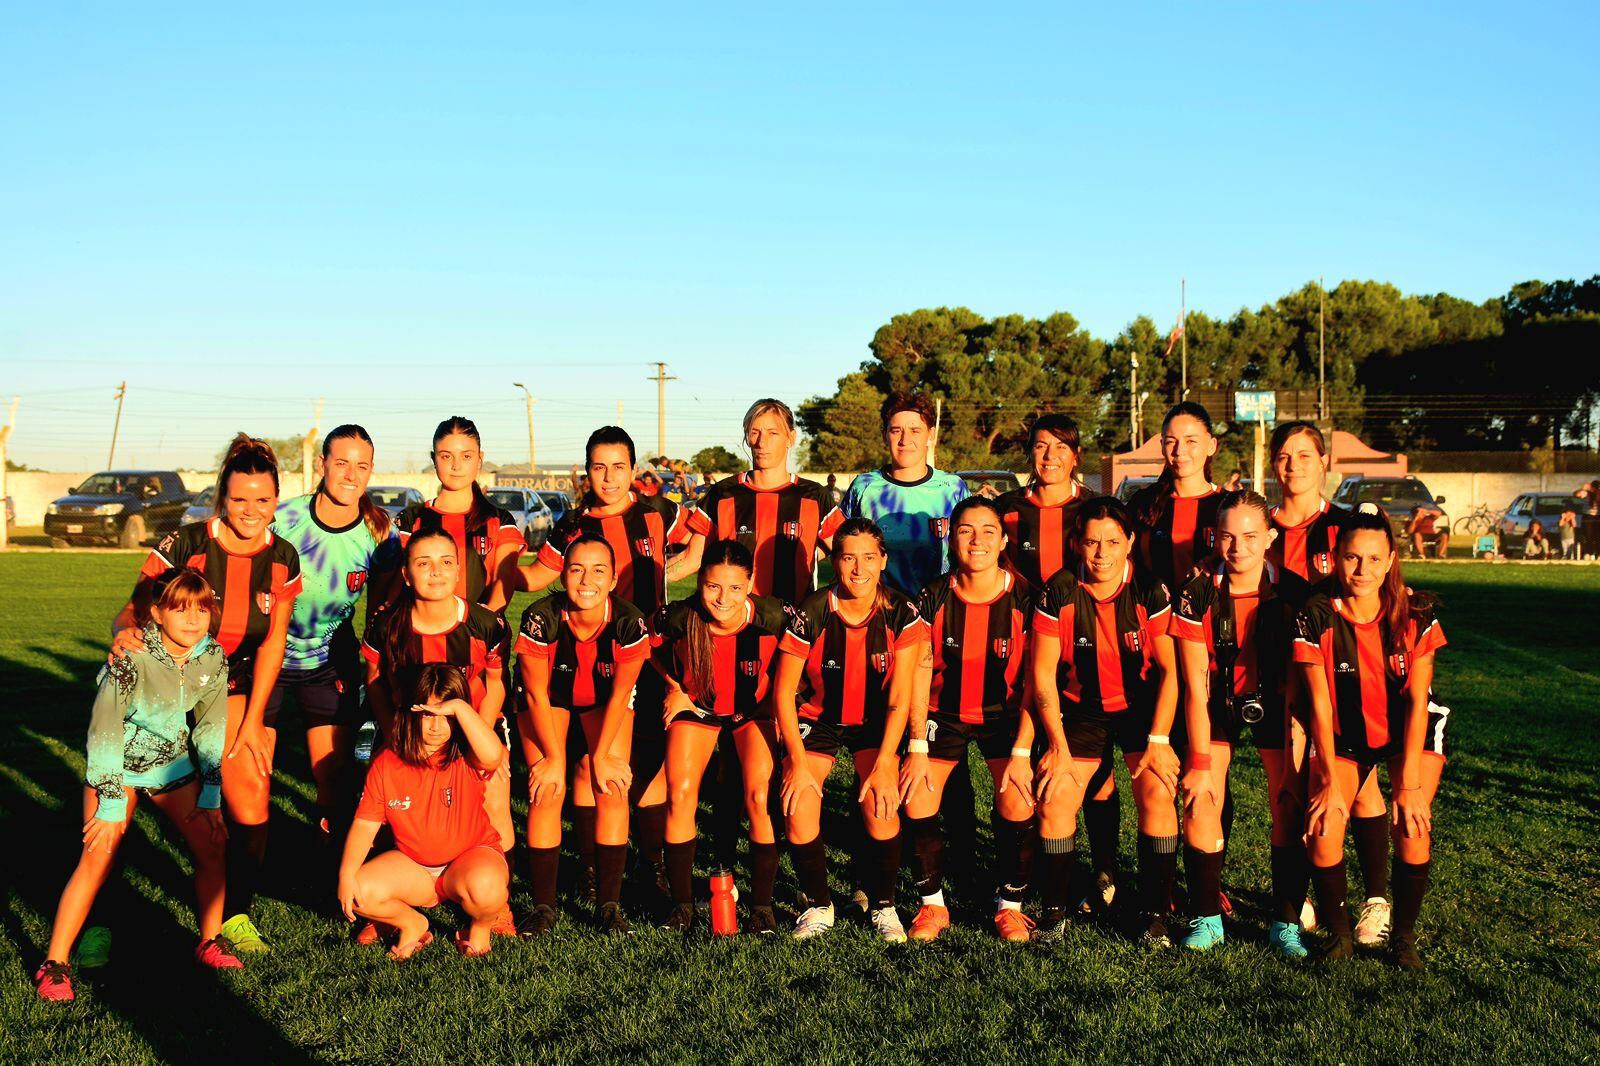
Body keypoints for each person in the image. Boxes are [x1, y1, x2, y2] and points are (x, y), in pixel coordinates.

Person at [109, 434, 301, 955]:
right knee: (116, 813)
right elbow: (132, 610)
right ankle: (101, 919)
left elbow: (274, 643)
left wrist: (256, 717)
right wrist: (123, 632)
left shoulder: (283, 558)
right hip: (163, 683)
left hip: (234, 685)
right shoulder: (187, 544)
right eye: (240, 499)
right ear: (223, 496)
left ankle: (235, 912)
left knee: (252, 799)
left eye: (263, 499)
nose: (251, 510)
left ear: (276, 499)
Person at [36, 570, 240, 1002]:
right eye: (180, 608)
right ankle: (55, 963)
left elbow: (210, 726)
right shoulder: (131, 655)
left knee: (213, 845)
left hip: (170, 767)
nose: (192, 619)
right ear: (156, 613)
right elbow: (103, 731)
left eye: (201, 609)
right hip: (117, 769)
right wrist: (110, 803)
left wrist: (211, 793)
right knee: (98, 857)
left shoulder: (213, 658)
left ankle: (210, 940)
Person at [518, 426, 693, 905]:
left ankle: (653, 865)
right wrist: (495, 571)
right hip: (587, 661)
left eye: (619, 466)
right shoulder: (573, 524)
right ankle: (593, 871)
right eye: (599, 466)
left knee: (649, 769)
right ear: (587, 470)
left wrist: (672, 570)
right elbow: (538, 576)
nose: (609, 476)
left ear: (634, 471)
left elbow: (704, 536)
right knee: (586, 764)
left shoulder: (659, 513)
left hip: (650, 659)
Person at [1298, 506, 1450, 970]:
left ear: (1389, 561)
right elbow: (1320, 704)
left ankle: (1402, 939)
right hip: (1346, 734)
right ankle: (1340, 936)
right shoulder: (1316, 613)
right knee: (1323, 828)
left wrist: (1408, 786)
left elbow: (1416, 701)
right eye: (1351, 558)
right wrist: (1325, 777)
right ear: (1336, 558)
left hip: (1410, 731)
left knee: (1412, 823)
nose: (1361, 569)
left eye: (1372, 558)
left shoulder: (1414, 612)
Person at [1170, 491, 1317, 956]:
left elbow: (1302, 678)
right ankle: (1207, 916)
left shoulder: (1295, 594)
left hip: (1278, 703)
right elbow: (1194, 682)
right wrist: (1196, 761)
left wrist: (1297, 735)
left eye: (1251, 536)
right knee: (1199, 797)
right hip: (1215, 700)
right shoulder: (1196, 592)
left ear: (1270, 538)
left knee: (1289, 802)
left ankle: (1285, 922)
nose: (1239, 547)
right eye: (1228, 536)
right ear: (1215, 536)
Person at [1030, 497, 1181, 946]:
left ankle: (1155, 917)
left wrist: (1158, 739)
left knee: (1156, 792)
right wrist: (1056, 744)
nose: (1102, 553)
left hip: (1141, 711)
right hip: (1082, 710)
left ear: (1129, 542)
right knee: (1055, 796)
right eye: (1092, 542)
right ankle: (1054, 916)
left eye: (1113, 542)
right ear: (1077, 544)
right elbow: (1041, 674)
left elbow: (1172, 672)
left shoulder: (1150, 590)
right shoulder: (1059, 589)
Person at [774, 519, 929, 941]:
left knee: (881, 801)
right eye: (847, 558)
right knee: (799, 800)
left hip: (875, 721)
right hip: (818, 716)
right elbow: (784, 691)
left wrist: (883, 764)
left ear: (883, 561)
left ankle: (884, 906)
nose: (858, 569)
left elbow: (900, 699)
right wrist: (797, 762)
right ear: (834, 562)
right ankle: (818, 904)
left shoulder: (902, 612)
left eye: (867, 558)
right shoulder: (812, 611)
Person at [995, 413, 1121, 914]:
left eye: (1060, 447)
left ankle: (1105, 871)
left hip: (1085, 653)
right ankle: (1030, 873)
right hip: (1022, 651)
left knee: (1098, 771)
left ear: (1076, 455)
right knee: (1031, 764)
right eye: (1041, 447)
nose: (1049, 457)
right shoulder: (1006, 510)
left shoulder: (1094, 509)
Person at [361, 527, 513, 937]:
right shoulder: (387, 626)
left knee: (494, 802)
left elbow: (496, 683)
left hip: (474, 730)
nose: (436, 573)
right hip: (413, 734)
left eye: (446, 563)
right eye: (423, 564)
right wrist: (392, 733)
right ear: (407, 575)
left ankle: (496, 902)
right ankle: (386, 904)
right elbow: (375, 679)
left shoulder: (485, 624)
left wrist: (474, 734)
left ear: (459, 570)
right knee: (393, 805)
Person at [903, 497, 1038, 943]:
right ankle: (933, 906)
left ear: (1002, 541)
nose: (975, 540)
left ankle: (1010, 906)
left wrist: (1022, 751)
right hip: (944, 713)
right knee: (916, 796)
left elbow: (1039, 681)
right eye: (965, 530)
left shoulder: (1026, 598)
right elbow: (920, 669)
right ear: (951, 537)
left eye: (986, 531)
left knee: (1018, 798)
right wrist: (917, 745)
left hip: (1005, 714)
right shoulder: (933, 594)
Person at [266, 424, 400, 853]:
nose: (350, 474)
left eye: (361, 466)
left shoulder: (382, 534)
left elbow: (378, 614)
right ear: (323, 464)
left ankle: (335, 864)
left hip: (326, 661)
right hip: (264, 654)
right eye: (341, 463)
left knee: (334, 774)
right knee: (249, 769)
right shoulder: (282, 519)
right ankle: (242, 856)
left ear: (371, 470)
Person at [515, 536, 651, 935]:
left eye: (598, 570)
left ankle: (608, 905)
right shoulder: (541, 618)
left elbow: (622, 693)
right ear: (562, 573)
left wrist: (603, 755)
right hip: (548, 699)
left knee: (610, 785)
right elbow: (537, 693)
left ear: (612, 580)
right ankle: (543, 907)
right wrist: (554, 760)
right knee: (548, 787)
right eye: (576, 569)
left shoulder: (628, 621)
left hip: (604, 700)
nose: (586, 579)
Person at [653, 540, 787, 934]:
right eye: (713, 586)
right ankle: (681, 906)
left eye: (733, 587)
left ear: (750, 583)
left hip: (753, 711)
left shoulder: (775, 616)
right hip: (699, 710)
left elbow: (800, 658)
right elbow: (648, 648)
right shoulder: (679, 616)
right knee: (679, 793)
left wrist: (779, 702)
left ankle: (762, 907)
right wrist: (674, 686)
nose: (722, 597)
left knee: (759, 796)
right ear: (699, 581)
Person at [339, 664, 510, 960]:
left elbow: (494, 755)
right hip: (414, 866)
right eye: (427, 714)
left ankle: (478, 930)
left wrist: (459, 707)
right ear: (410, 713)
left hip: (469, 859)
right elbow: (365, 826)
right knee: (359, 890)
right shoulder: (387, 762)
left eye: (446, 717)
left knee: (488, 888)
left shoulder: (466, 754)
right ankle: (412, 923)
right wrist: (346, 873)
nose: (435, 726)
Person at [684, 398, 845, 603]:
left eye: (773, 433)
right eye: (754, 432)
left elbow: (846, 554)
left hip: (794, 628)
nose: (762, 442)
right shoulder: (722, 493)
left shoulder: (814, 496)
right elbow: (693, 558)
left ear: (791, 438)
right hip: (736, 624)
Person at [842, 391, 971, 597]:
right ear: (885, 434)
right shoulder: (863, 487)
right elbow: (841, 549)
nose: (905, 439)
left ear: (931, 435)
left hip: (937, 612)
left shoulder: (953, 489)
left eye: (915, 430)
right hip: (879, 613)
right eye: (896, 430)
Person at [393, 417, 524, 612]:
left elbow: (502, 586)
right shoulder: (409, 520)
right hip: (419, 638)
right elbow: (396, 587)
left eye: (466, 456)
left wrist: (481, 629)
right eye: (446, 456)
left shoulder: (500, 521)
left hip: (481, 636)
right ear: (434, 459)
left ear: (480, 459)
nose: (456, 465)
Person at [1129, 402, 1223, 592]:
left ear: (1211, 445)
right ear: (1162, 445)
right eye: (1171, 441)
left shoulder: (1229, 506)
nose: (1179, 451)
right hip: (1151, 618)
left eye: (1191, 441)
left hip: (1211, 619)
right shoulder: (1142, 504)